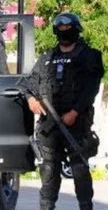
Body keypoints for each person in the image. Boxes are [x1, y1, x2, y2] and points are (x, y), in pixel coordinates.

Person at [21, 13, 104, 210]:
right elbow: (28, 83)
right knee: (48, 169)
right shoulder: (47, 58)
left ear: (76, 29)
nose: (65, 32)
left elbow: (91, 87)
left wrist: (74, 112)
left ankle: (86, 206)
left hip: (75, 123)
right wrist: (31, 99)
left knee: (79, 169)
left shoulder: (89, 56)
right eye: (61, 29)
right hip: (49, 125)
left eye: (69, 28)